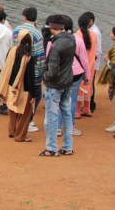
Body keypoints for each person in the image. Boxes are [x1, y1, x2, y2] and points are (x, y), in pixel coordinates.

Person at [40, 15, 76, 157]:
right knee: (66, 114)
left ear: (52, 27)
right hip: (67, 82)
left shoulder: (56, 46)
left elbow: (53, 70)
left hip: (55, 85)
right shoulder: (71, 39)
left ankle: (52, 148)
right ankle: (68, 147)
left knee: (51, 116)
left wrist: (44, 76)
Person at [0, 33, 36, 142]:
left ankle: (12, 131)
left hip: (11, 86)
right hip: (24, 89)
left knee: (12, 110)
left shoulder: (12, 51)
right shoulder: (29, 58)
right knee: (25, 113)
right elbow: (30, 78)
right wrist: (34, 93)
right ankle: (20, 136)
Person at [11, 7, 44, 132]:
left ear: (24, 17)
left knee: (18, 95)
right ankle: (27, 121)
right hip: (33, 71)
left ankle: (17, 120)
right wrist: (41, 73)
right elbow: (40, 56)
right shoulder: (37, 34)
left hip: (18, 69)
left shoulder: (16, 30)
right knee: (35, 96)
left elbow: (13, 49)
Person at [76, 12, 98, 118]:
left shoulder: (78, 35)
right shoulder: (94, 35)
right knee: (87, 86)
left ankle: (77, 111)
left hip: (81, 65)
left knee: (79, 87)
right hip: (91, 64)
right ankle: (87, 109)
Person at [86, 11, 103, 113]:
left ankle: (91, 104)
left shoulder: (95, 32)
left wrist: (91, 60)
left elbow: (98, 50)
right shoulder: (91, 30)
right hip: (91, 61)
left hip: (93, 62)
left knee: (91, 83)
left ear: (91, 21)